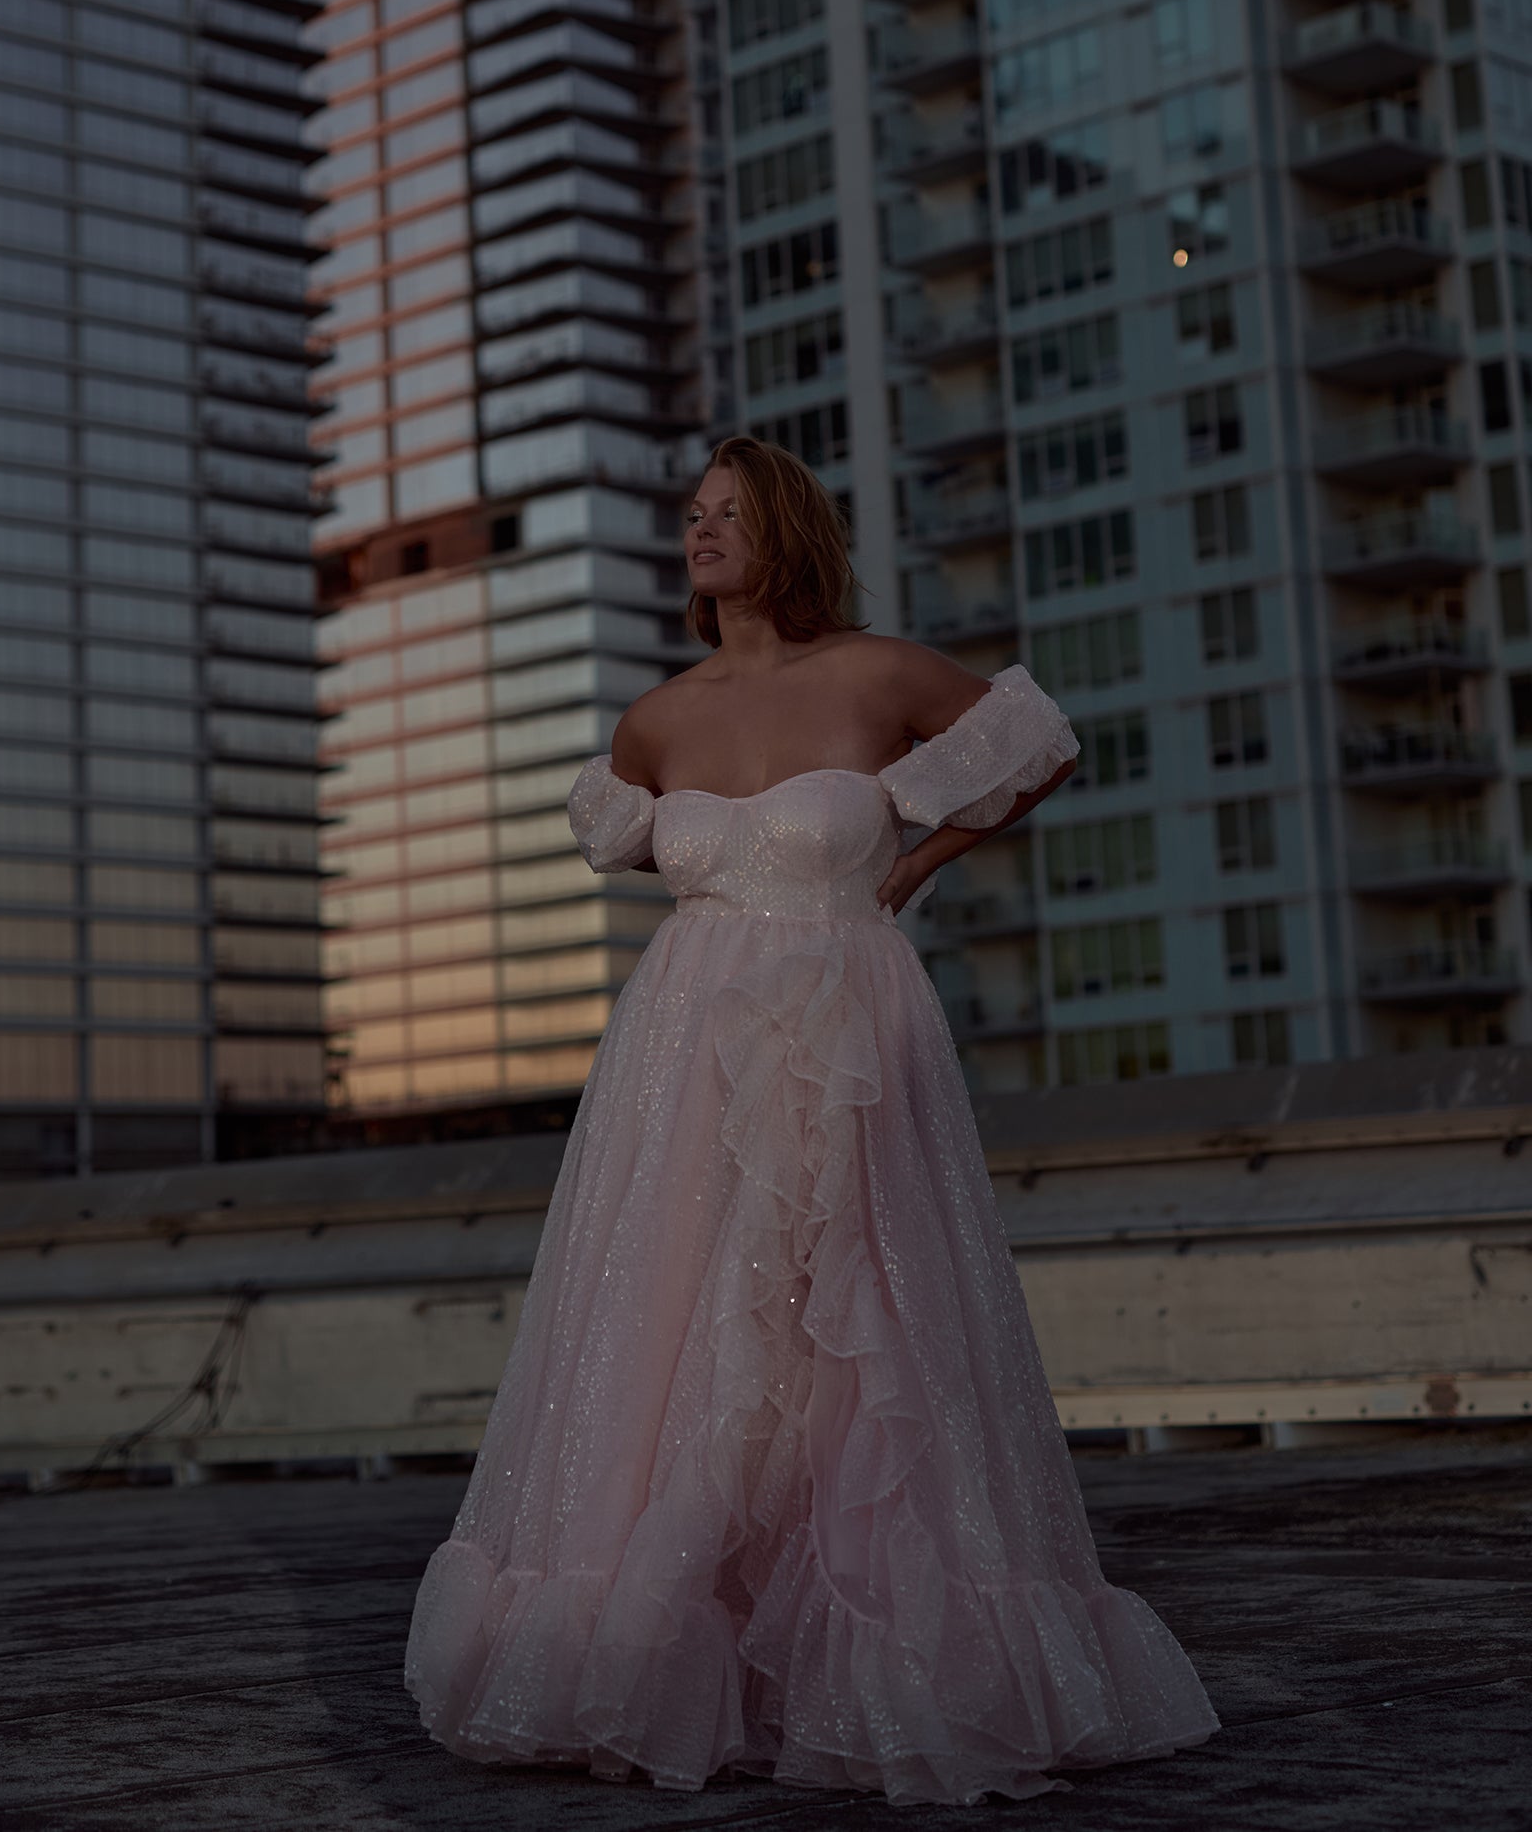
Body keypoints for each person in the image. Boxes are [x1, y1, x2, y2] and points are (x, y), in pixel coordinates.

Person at [404, 436, 1219, 1804]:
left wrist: (912, 864)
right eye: (692, 514)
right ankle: (657, 1643)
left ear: (786, 529)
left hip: (848, 1023)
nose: (701, 531)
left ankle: (879, 1665)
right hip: (684, 1049)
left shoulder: (876, 673)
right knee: (676, 1311)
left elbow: (1039, 748)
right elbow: (634, 847)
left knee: (852, 1313)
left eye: (728, 512)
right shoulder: (653, 723)